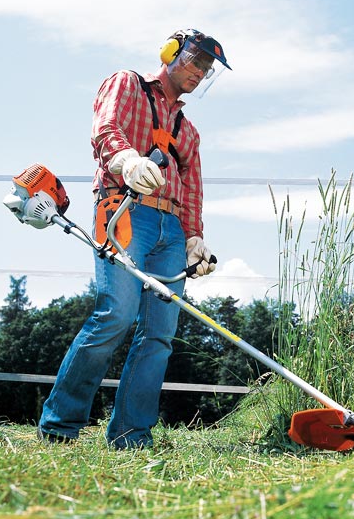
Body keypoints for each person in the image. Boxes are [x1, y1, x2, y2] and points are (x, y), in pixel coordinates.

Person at [38, 29, 231, 449]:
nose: (200, 72)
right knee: (115, 315)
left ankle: (131, 435)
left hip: (171, 231)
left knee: (159, 334)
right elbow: (106, 127)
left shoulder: (189, 132)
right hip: (123, 210)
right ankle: (60, 425)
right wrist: (126, 160)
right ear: (171, 52)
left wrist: (195, 238)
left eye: (207, 69)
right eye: (194, 61)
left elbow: (193, 188)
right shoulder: (127, 84)